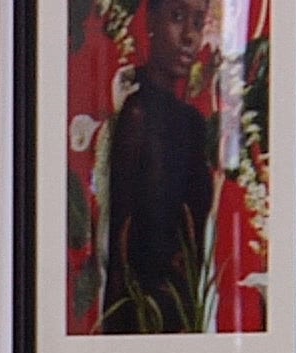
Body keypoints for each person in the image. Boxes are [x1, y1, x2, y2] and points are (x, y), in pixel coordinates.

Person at [99, 0, 218, 333]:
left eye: (198, 21)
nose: (189, 36)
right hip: (143, 321)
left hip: (182, 317)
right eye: (177, 17)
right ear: (150, 20)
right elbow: (120, 245)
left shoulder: (191, 123)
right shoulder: (137, 116)